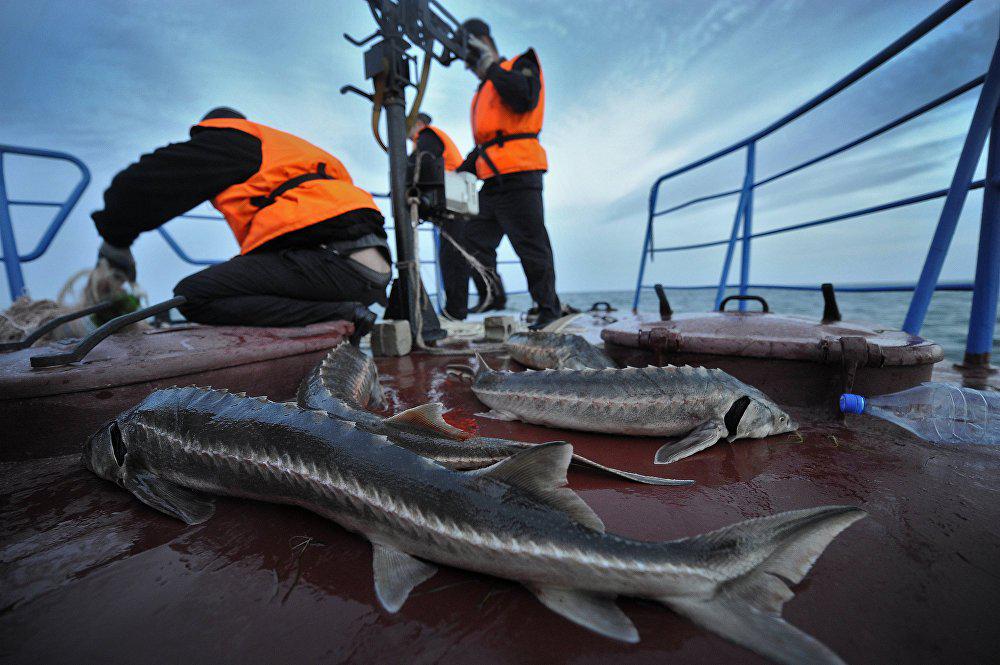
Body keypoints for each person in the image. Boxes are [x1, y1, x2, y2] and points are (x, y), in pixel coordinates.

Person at [92, 107, 389, 342]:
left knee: (194, 296)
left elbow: (137, 186)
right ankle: (347, 308)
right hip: (369, 271)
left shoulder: (235, 139)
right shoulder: (291, 154)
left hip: (334, 265)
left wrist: (115, 239)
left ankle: (341, 314)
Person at [455, 18, 561, 329]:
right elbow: (486, 145)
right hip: (492, 181)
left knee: (530, 243)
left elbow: (524, 97)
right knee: (471, 240)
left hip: (520, 175)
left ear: (484, 42)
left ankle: (548, 308)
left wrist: (490, 67)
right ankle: (494, 296)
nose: (472, 67)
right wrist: (458, 173)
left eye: (472, 58)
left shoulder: (519, 65)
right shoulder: (486, 86)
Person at [407, 112, 486, 321]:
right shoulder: (427, 138)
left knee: (453, 257)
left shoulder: (427, 136)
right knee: (455, 255)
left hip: (453, 204)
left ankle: (456, 310)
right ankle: (459, 308)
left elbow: (422, 162)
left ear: (418, 124)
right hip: (453, 204)